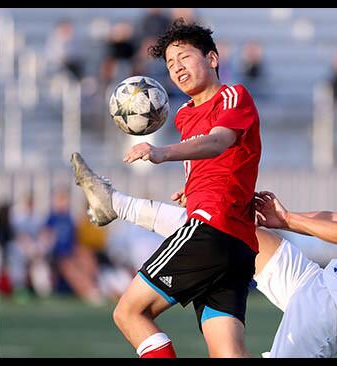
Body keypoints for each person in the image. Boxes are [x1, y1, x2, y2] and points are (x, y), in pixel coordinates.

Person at [71, 110, 337, 357]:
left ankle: (119, 205)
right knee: (229, 223)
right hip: (316, 285)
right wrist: (278, 218)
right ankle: (116, 204)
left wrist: (289, 220)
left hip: (329, 314)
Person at [71, 18, 262, 358]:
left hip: (211, 230)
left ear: (212, 59)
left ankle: (113, 203)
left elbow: (218, 142)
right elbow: (219, 162)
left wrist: (162, 153)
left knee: (129, 312)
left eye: (185, 57)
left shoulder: (233, 95)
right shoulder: (185, 114)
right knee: (228, 353)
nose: (177, 68)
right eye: (171, 64)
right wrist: (192, 188)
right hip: (236, 246)